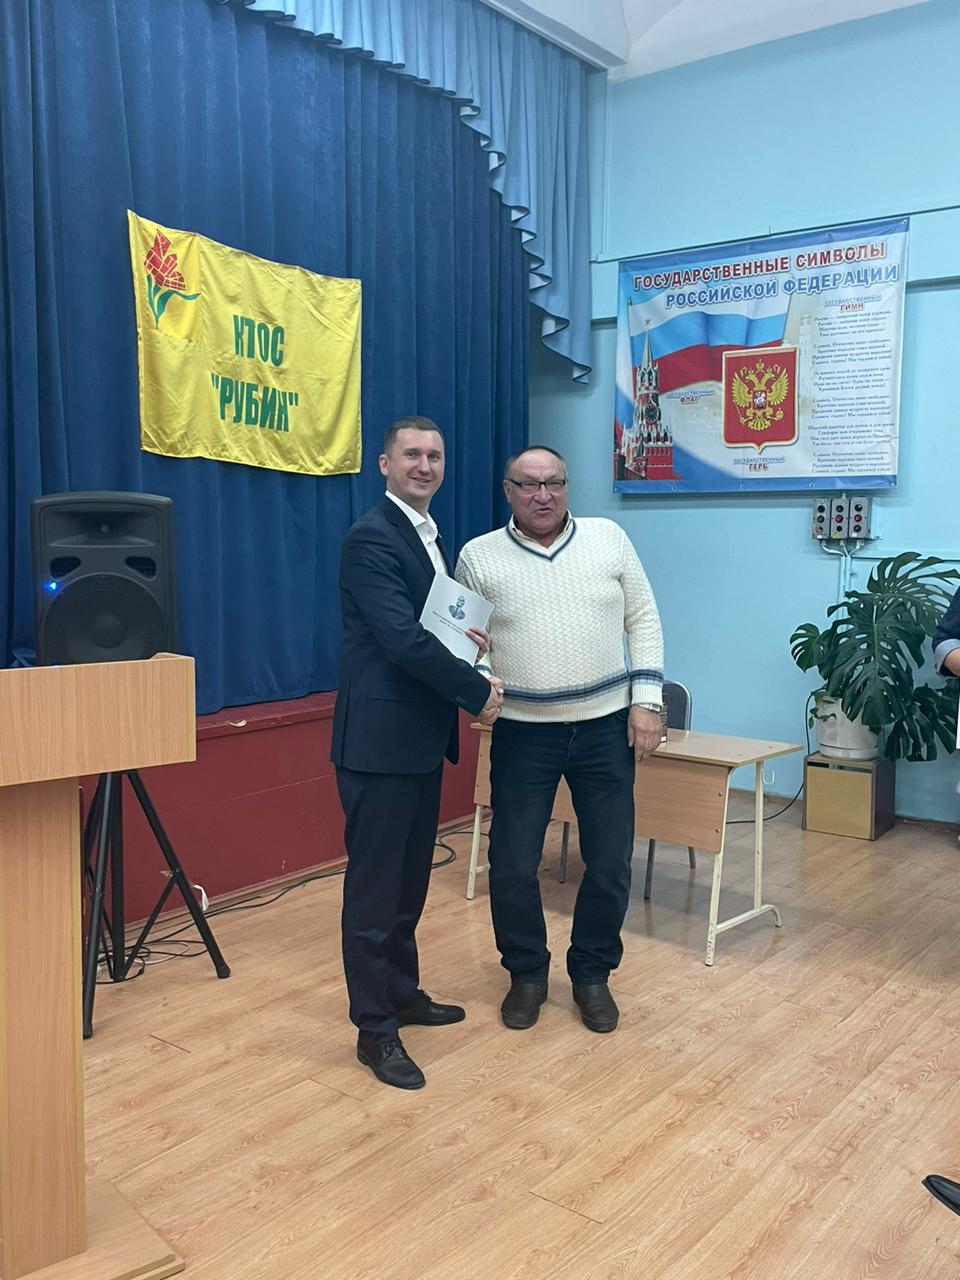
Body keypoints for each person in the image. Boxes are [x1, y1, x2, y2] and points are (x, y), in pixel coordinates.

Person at [456, 445, 663, 1035]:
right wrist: (480, 679)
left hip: (605, 728)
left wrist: (647, 701)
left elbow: (643, 619)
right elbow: (467, 640)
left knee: (610, 861)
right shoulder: (478, 556)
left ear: (567, 486)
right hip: (523, 733)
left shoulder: (608, 538)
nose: (542, 495)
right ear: (508, 491)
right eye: (528, 484)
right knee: (512, 864)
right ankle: (526, 975)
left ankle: (592, 975)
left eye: (553, 483)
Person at [332, 416, 502, 1090]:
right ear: (385, 464)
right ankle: (374, 1031)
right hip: (378, 744)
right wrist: (475, 689)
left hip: (417, 741)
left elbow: (430, 630)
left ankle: (402, 995)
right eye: (411, 454)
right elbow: (402, 641)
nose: (424, 465)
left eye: (434, 455)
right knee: (375, 894)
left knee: (408, 885)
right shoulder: (371, 537)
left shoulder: (428, 535)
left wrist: (468, 644)